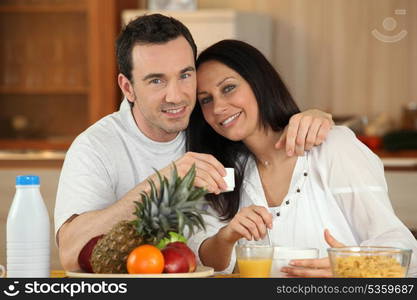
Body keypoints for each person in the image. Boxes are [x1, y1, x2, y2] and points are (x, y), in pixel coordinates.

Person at [54, 14, 333, 271]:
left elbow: (263, 121)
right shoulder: (96, 146)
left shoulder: (213, 122)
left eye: (185, 75)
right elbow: (69, 254)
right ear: (128, 87)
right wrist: (162, 183)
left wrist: (312, 117)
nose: (176, 96)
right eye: (156, 81)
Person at [186, 39, 417, 277]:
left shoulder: (332, 147)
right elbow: (207, 262)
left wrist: (351, 265)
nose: (218, 107)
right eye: (206, 99)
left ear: (259, 83)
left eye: (228, 88)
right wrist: (227, 235)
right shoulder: (224, 172)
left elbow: (404, 249)